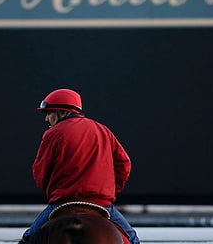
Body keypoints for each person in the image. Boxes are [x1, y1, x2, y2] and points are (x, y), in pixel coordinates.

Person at [20, 88, 140, 244]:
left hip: (63, 202)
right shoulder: (103, 130)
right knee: (133, 240)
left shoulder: (52, 134)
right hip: (102, 203)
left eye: (49, 113)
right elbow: (124, 165)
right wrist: (109, 190)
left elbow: (40, 173)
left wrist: (52, 188)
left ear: (62, 112)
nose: (46, 119)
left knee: (27, 239)